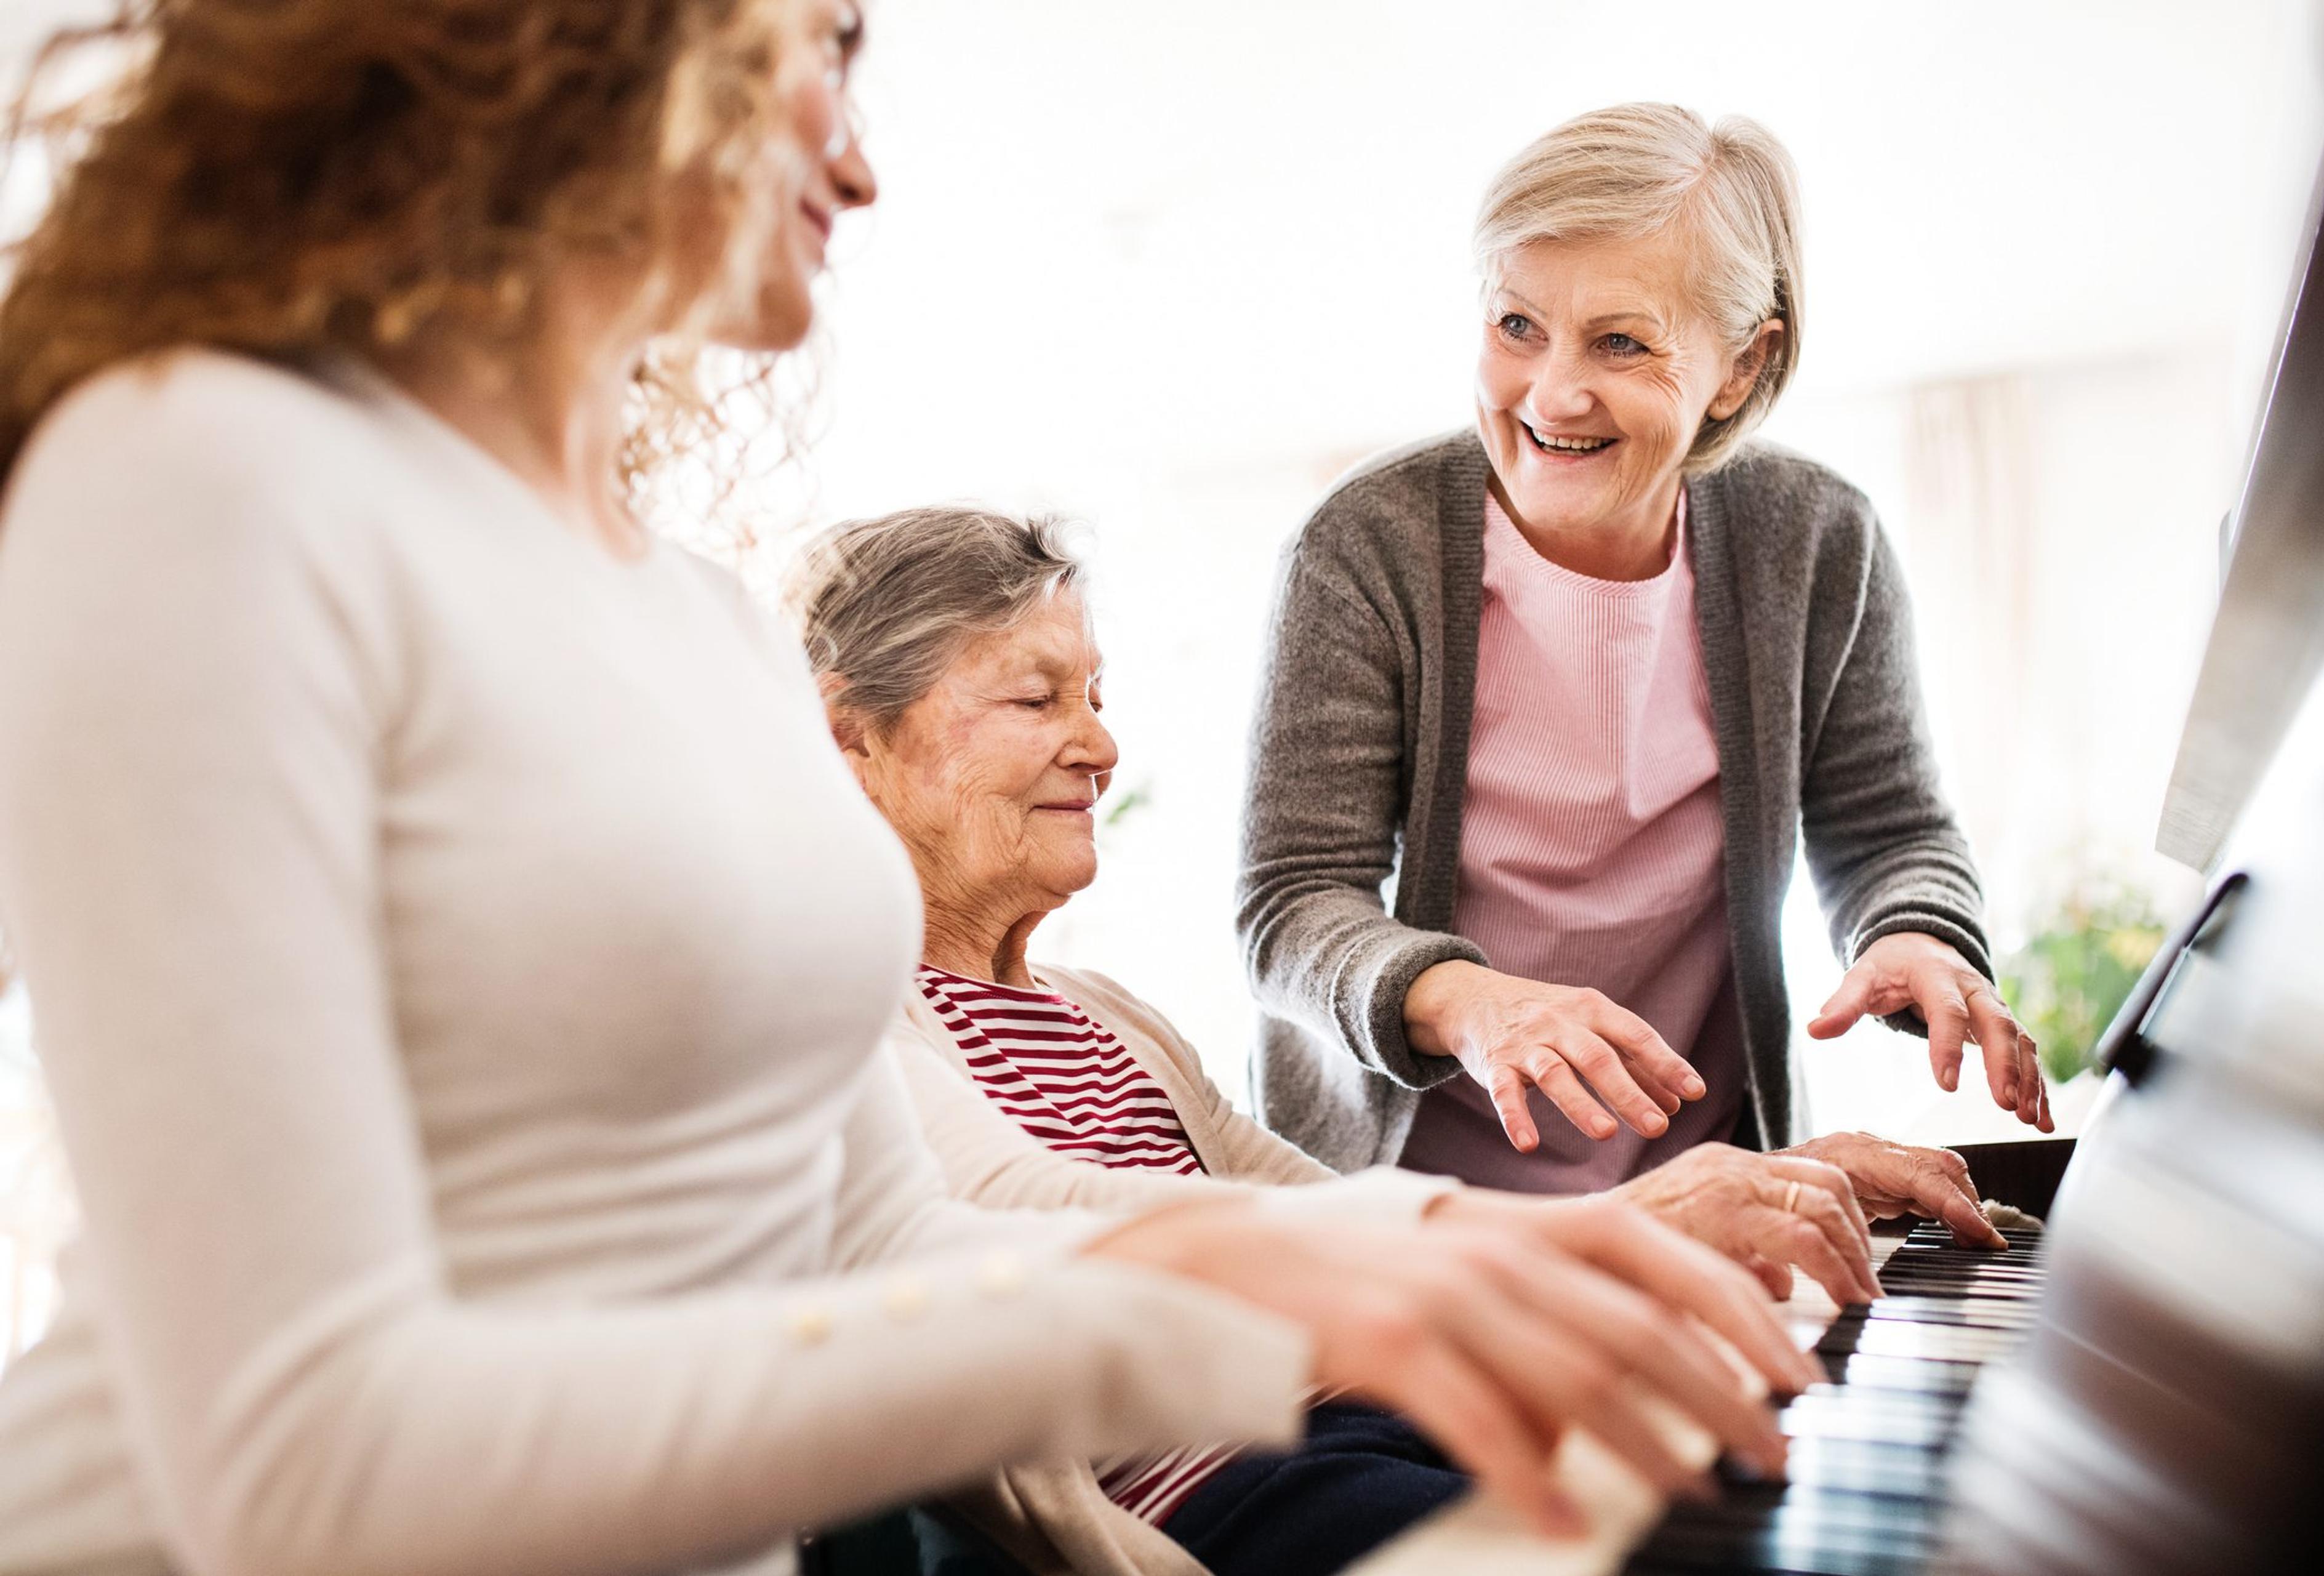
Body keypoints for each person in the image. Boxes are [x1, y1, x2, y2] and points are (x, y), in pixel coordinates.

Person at [0, 11, 1798, 1575]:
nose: (859, 169)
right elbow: (301, 1456)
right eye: (824, 51)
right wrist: (1297, 1293)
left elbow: (881, 1234)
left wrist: (1412, 1246)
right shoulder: (200, 479)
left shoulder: (684, 606)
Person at [793, 504, 2002, 1576]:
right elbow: (1023, 1221)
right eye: (1034, 696)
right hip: (1239, 1493)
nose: (1102, 746)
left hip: (1372, 1417)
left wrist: (1733, 1196)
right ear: (854, 738)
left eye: (1097, 695)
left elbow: (1351, 1222)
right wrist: (1628, 1225)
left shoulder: (1109, 1015)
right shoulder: (835, 1012)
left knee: (1778, 1479)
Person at [1238, 103, 2053, 1205]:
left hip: (1705, 1180)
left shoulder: (1815, 540)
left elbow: (1892, 830)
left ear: (1739, 363)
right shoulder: (1364, 548)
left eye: (1620, 342)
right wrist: (1475, 1003)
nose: (1552, 392)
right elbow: (1292, 904)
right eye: (1516, 325)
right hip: (1418, 1207)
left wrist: (1915, 930)